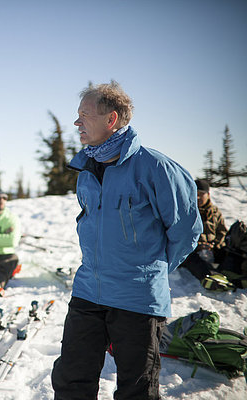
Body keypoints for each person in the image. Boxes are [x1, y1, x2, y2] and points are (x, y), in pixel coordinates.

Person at [51, 81, 202, 400]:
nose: (77, 122)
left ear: (111, 119)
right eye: (77, 115)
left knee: (137, 388)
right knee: (70, 379)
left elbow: (186, 231)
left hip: (137, 297)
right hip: (88, 291)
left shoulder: (156, 167)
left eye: (84, 115)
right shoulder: (86, 169)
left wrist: (149, 269)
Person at [179, 179, 228, 281]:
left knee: (230, 255)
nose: (197, 197)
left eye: (201, 194)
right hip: (192, 250)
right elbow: (180, 235)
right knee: (192, 259)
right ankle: (211, 279)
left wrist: (214, 245)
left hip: (212, 248)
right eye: (194, 193)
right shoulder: (185, 211)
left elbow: (222, 232)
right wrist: (197, 246)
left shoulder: (215, 212)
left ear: (208, 194)